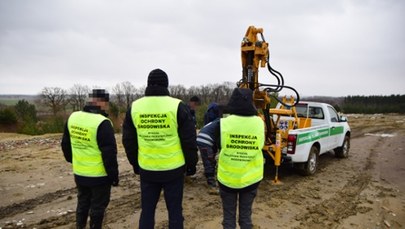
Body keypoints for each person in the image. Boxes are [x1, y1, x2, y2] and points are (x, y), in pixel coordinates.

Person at [122, 68, 198, 229]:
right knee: (175, 211)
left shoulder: (135, 107)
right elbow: (189, 140)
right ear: (166, 85)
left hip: (147, 169)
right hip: (174, 170)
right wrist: (191, 164)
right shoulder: (177, 106)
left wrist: (135, 164)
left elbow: (129, 141)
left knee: (147, 211)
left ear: (148, 84)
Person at [202, 88, 265, 229]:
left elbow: (206, 139)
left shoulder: (223, 123)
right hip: (251, 178)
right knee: (245, 218)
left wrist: (210, 161)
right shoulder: (259, 123)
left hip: (227, 178)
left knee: (228, 218)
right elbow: (261, 144)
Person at [61, 89, 119, 229]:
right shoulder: (102, 123)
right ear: (102, 103)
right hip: (99, 176)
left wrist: (73, 160)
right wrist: (113, 176)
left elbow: (65, 144)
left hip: (80, 173)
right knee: (98, 208)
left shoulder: (73, 117)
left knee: (82, 203)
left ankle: (80, 226)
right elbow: (109, 154)